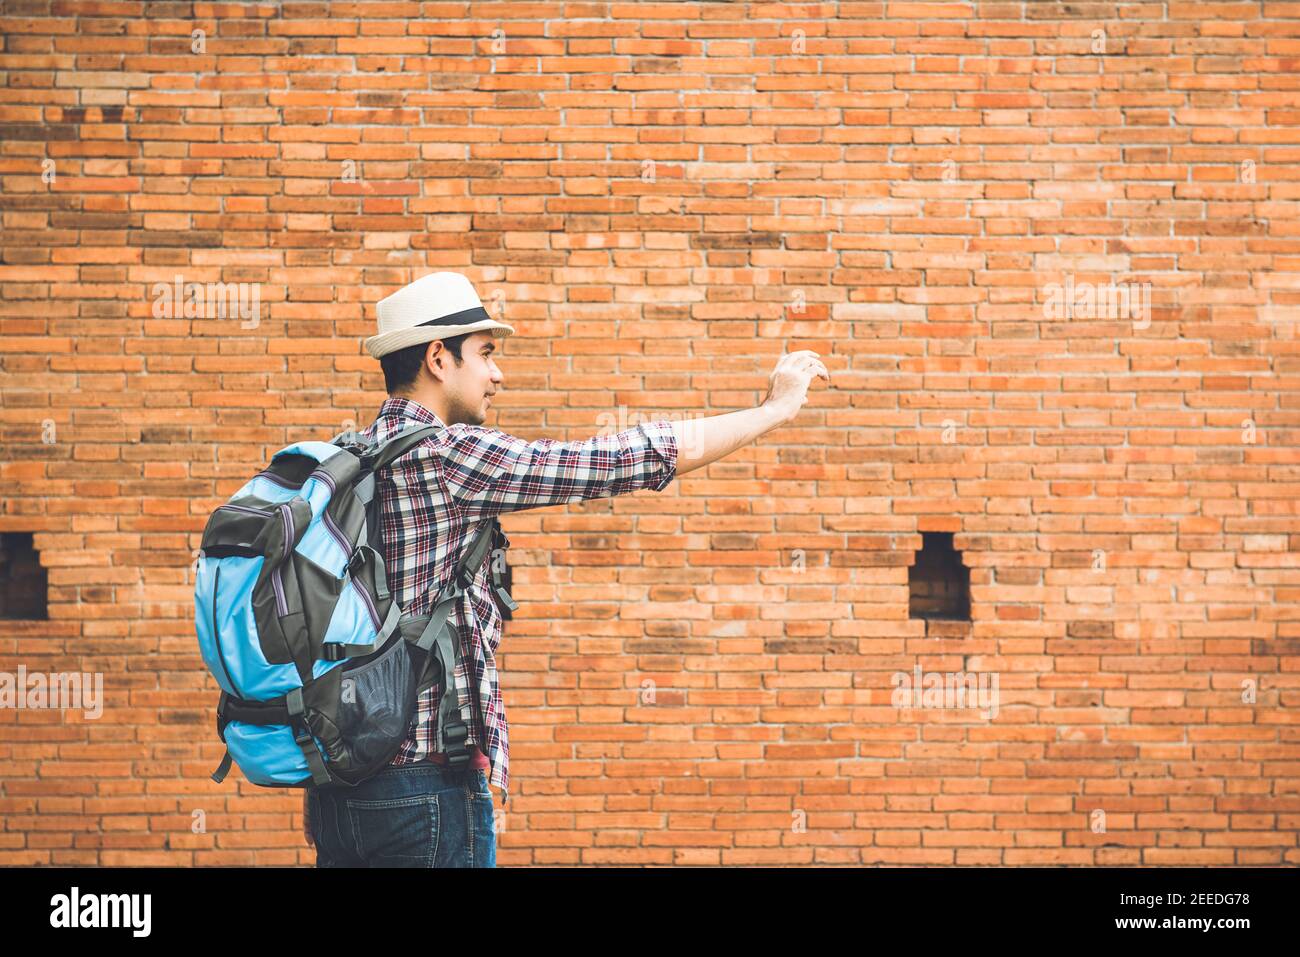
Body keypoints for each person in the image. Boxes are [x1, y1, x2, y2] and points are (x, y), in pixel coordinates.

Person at [305, 271, 829, 866]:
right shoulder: (447, 457)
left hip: (340, 791)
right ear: (437, 358)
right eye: (485, 354)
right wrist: (772, 411)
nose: (497, 374)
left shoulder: (350, 456)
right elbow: (613, 461)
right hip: (426, 791)